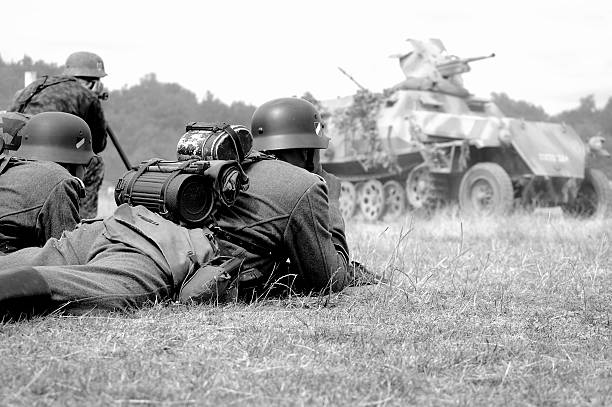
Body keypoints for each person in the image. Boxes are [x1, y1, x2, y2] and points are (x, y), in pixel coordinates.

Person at [0, 98, 350, 319]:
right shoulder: (304, 186)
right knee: (78, 287)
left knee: (44, 256)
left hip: (116, 225)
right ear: (308, 151)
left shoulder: (220, 162)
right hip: (159, 254)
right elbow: (329, 278)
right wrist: (330, 207)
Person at [212, 97, 350, 298]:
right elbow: (333, 280)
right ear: (307, 152)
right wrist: (332, 202)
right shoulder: (304, 187)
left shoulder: (236, 171)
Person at [8, 51, 110, 219]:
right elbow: (98, 144)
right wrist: (95, 99)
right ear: (94, 82)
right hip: (46, 156)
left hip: (14, 154)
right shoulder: (86, 95)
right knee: (94, 163)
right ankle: (82, 223)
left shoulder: (36, 86)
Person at [0, 111, 92, 254]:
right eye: (87, 163)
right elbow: (69, 258)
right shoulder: (60, 181)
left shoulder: (9, 170)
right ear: (75, 160)